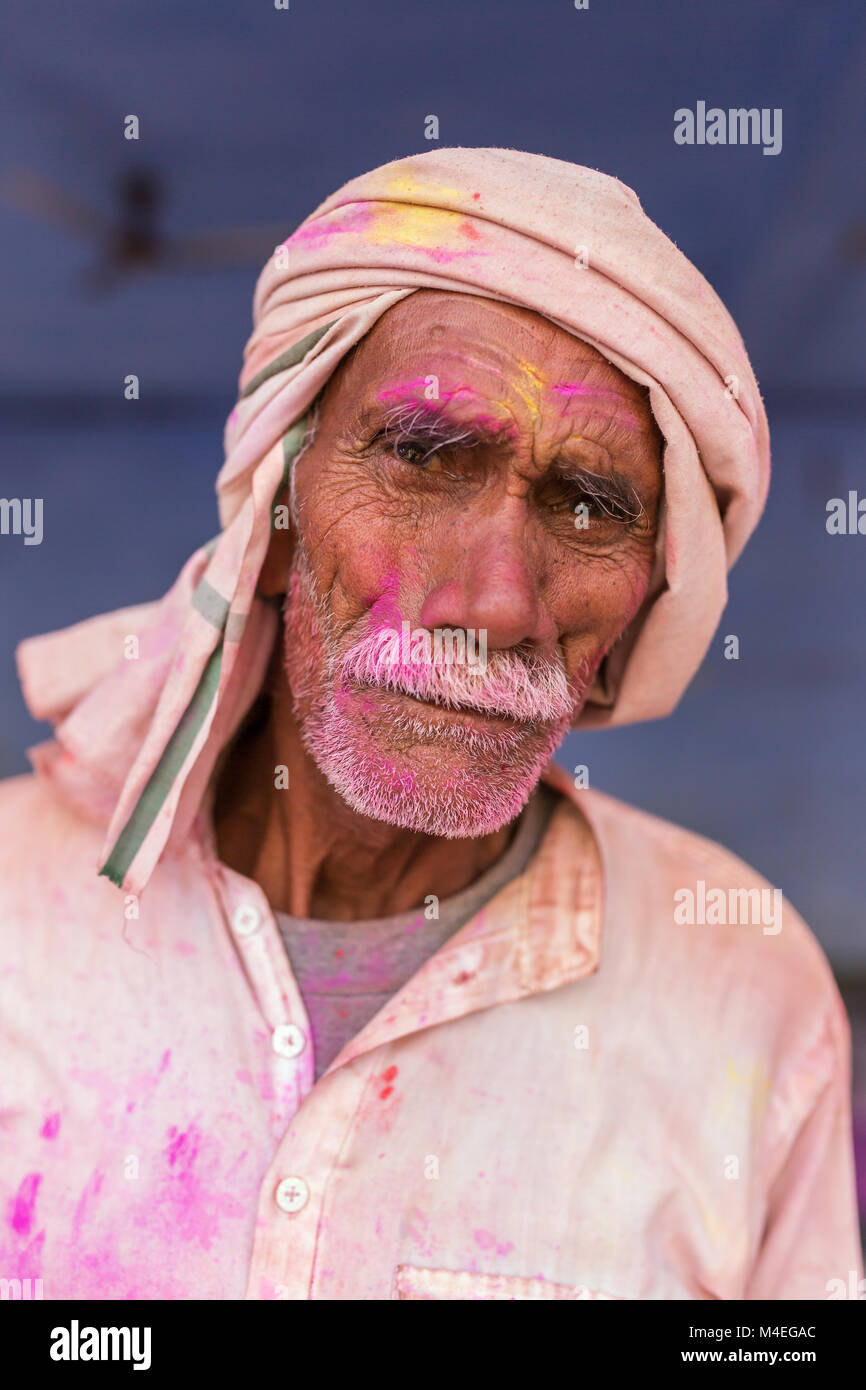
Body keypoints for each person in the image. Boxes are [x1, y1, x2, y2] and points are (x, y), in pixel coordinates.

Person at [0, 148, 860, 1300]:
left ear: (647, 597)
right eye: (421, 456)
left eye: (589, 506)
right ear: (280, 510)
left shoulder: (741, 982)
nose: (496, 601)